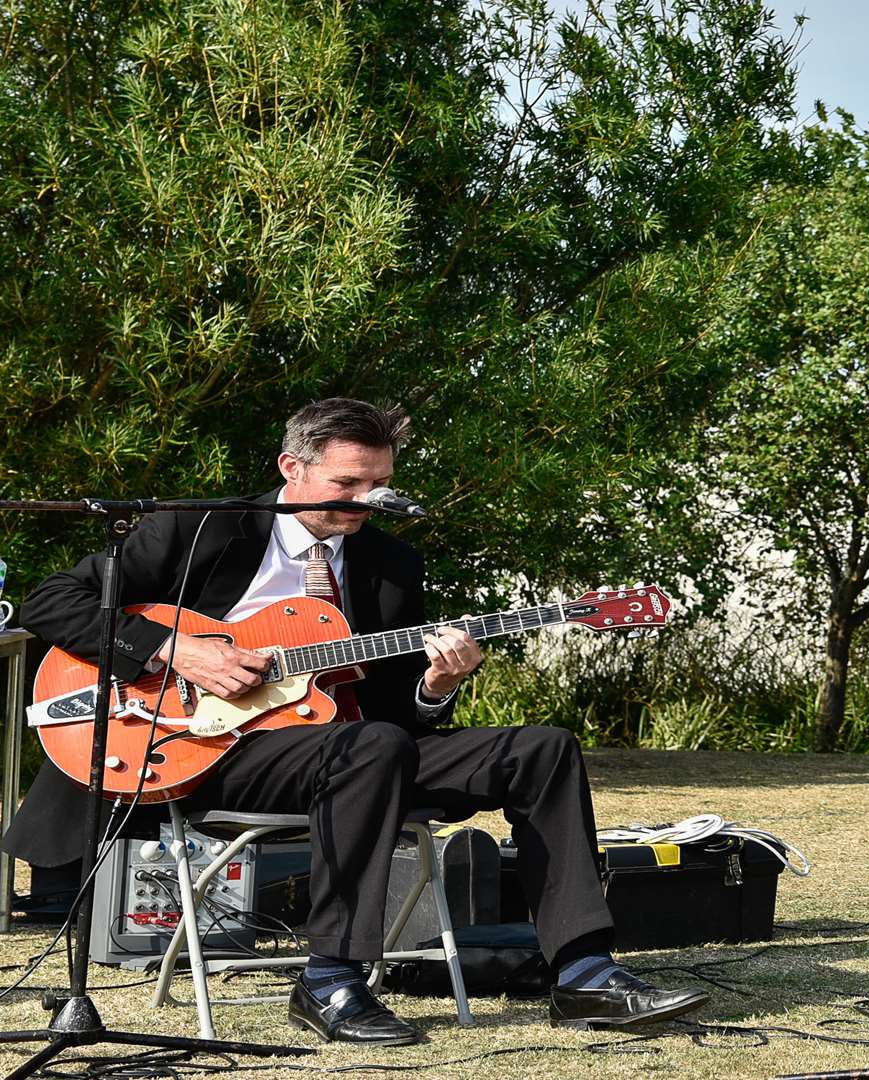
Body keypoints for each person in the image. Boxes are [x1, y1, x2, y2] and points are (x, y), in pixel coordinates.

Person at [4, 398, 711, 1046]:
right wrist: (177, 649)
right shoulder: (202, 529)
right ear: (292, 467)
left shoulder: (390, 563)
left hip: (349, 752)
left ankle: (584, 972)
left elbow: (396, 710)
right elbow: (52, 602)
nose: (364, 500)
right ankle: (330, 977)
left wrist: (436, 684)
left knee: (542, 749)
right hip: (206, 750)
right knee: (369, 747)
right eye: (346, 484)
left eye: (376, 483)